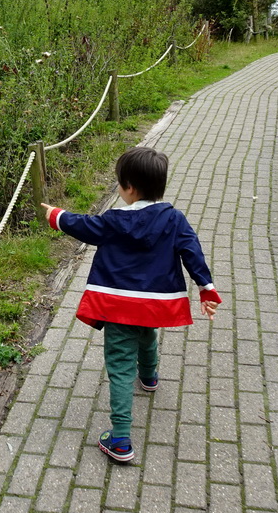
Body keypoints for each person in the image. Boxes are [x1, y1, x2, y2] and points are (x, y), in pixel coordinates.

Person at [40, 145, 221, 463]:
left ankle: (120, 439)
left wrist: (57, 216)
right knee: (148, 334)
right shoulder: (175, 219)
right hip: (153, 304)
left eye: (119, 184)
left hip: (118, 305)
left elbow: (84, 226)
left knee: (120, 367)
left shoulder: (113, 221)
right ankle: (150, 376)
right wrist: (206, 288)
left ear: (129, 188)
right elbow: (192, 252)